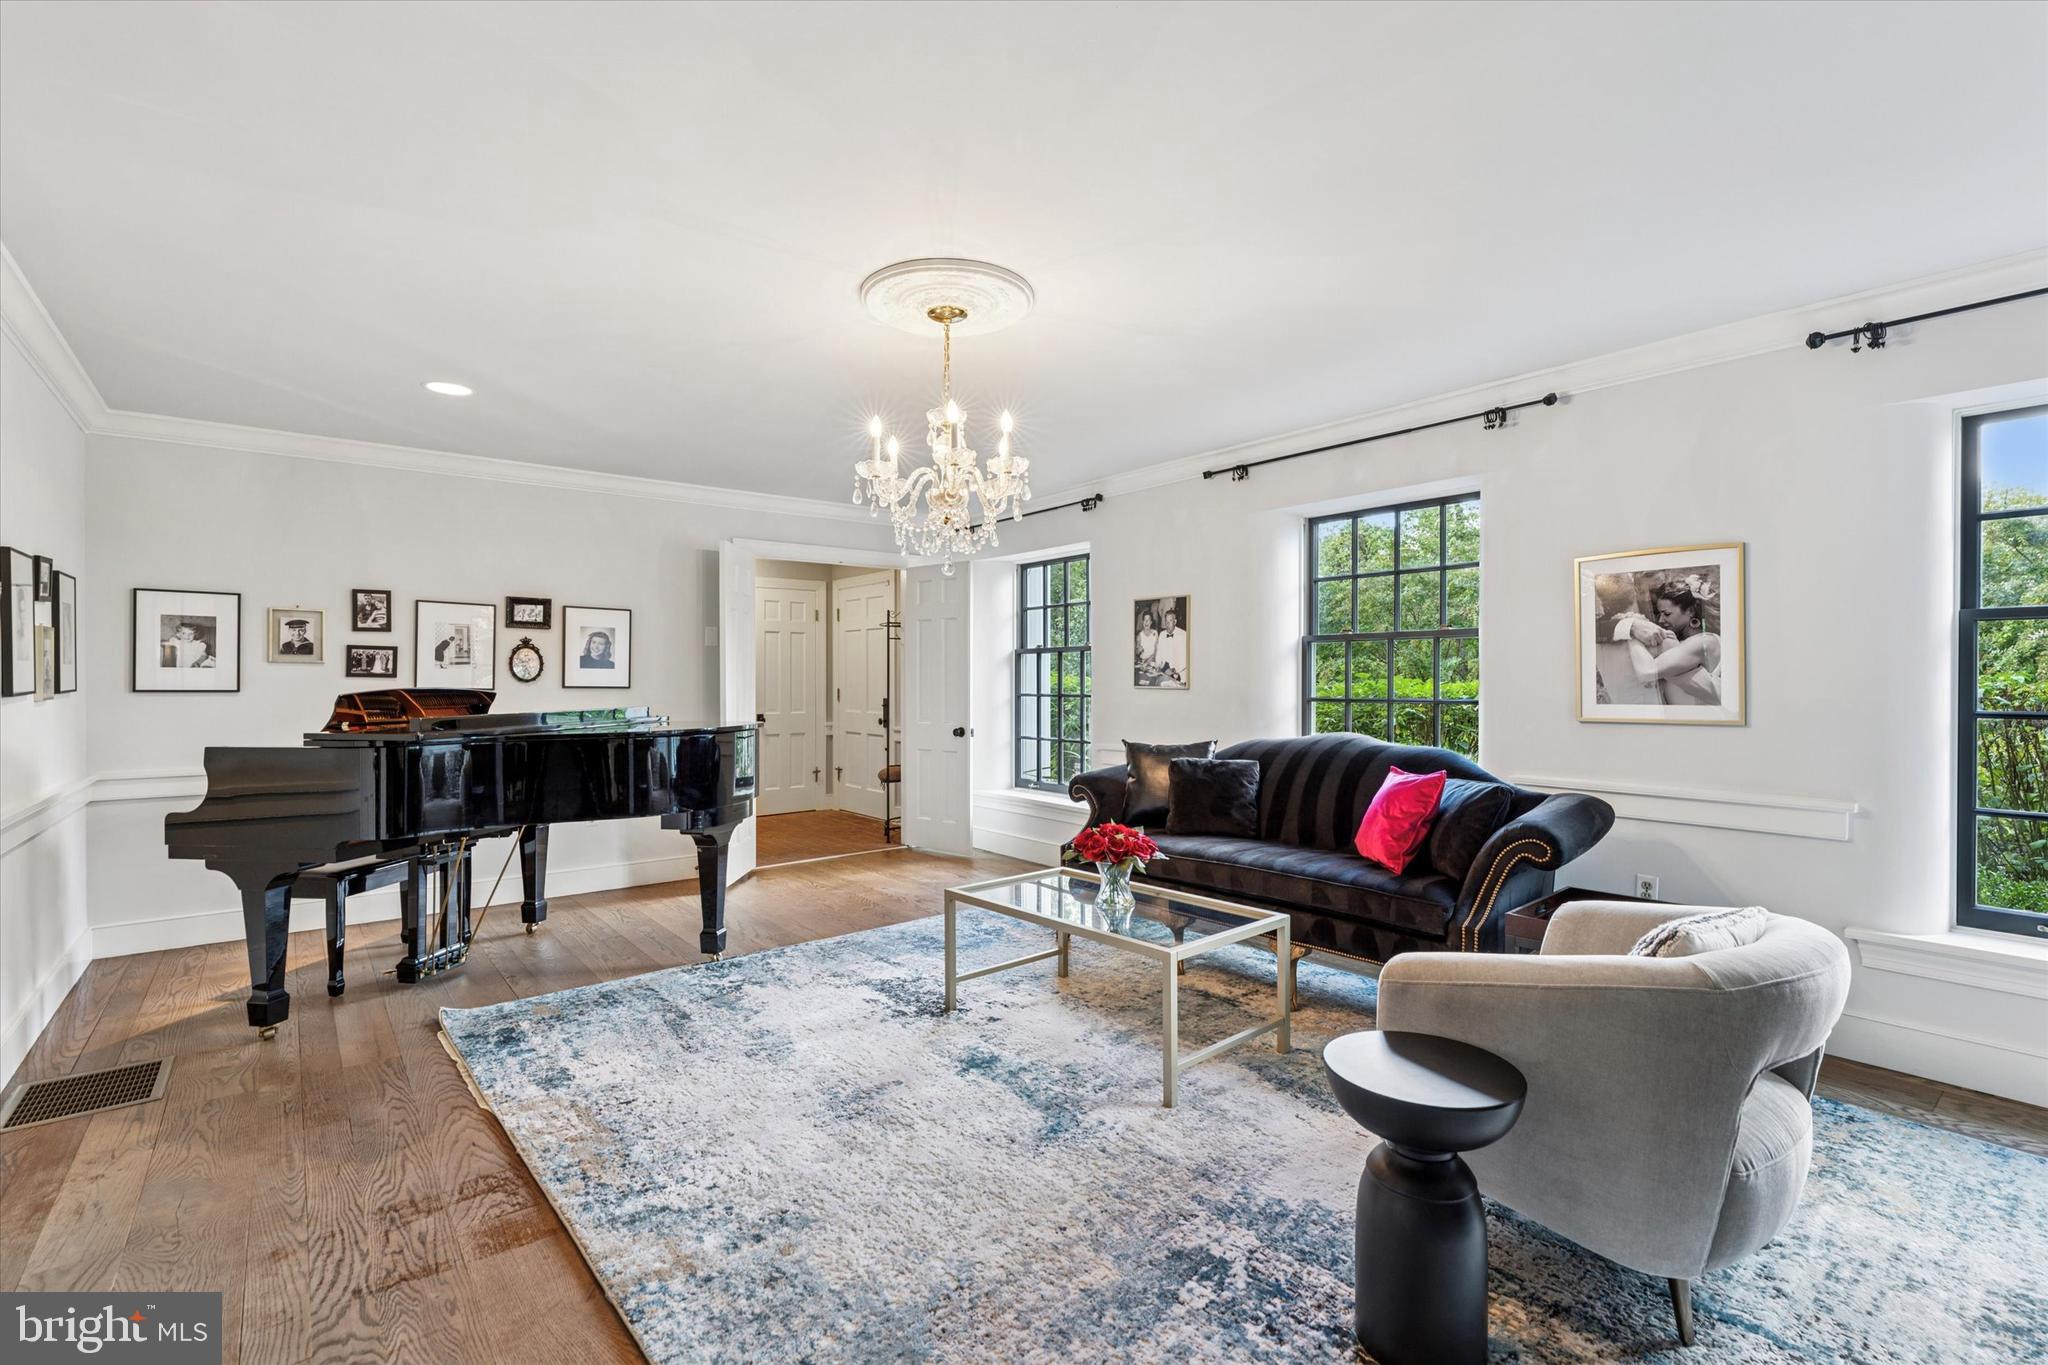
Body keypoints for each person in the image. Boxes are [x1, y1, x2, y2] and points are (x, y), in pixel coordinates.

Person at [1625, 577, 1721, 705]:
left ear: (1690, 611)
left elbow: (1646, 672)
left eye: (1667, 614)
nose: (1660, 620)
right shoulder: (1680, 643)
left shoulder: (1705, 642)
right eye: (1659, 614)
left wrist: (1630, 630)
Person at [1152, 600, 1188, 687]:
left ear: (1175, 622)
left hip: (1178, 674)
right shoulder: (1162, 634)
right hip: (1164, 670)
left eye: (1170, 621)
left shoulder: (1183, 634)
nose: (1167, 624)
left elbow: (1186, 658)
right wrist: (1157, 665)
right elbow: (1159, 654)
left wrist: (1175, 671)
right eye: (1166, 621)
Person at [1134, 610, 1159, 680]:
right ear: (1142, 622)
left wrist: (1149, 661)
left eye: (1148, 620)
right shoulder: (1139, 635)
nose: (1146, 622)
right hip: (1143, 664)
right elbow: (1136, 653)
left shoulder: (1155, 633)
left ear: (1151, 622)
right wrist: (1138, 650)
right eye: (1145, 620)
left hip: (1152, 663)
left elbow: (1157, 651)